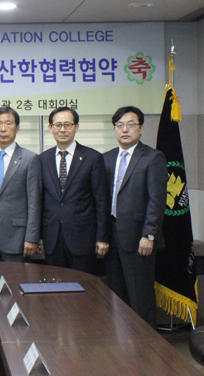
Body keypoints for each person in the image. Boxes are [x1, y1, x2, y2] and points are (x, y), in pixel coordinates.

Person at [104, 106, 167, 327]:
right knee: (116, 295)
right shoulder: (107, 158)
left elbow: (157, 200)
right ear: (114, 129)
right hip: (112, 235)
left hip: (139, 238)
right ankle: (121, 340)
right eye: (120, 125)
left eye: (131, 125)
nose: (125, 130)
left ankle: (146, 343)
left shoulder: (152, 157)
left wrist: (149, 235)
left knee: (140, 297)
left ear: (141, 128)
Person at [39, 107, 109, 274]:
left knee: (83, 285)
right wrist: (39, 236)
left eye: (68, 125)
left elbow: (101, 201)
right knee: (55, 284)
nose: (62, 129)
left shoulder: (92, 158)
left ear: (76, 127)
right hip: (52, 238)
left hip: (82, 237)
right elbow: (40, 200)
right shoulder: (42, 159)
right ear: (50, 128)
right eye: (58, 125)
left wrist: (102, 237)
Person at [0, 106, 41, 262]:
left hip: (17, 237)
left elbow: (34, 202)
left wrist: (31, 237)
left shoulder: (29, 159)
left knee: (16, 277)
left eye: (8, 123)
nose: (3, 129)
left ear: (17, 128)